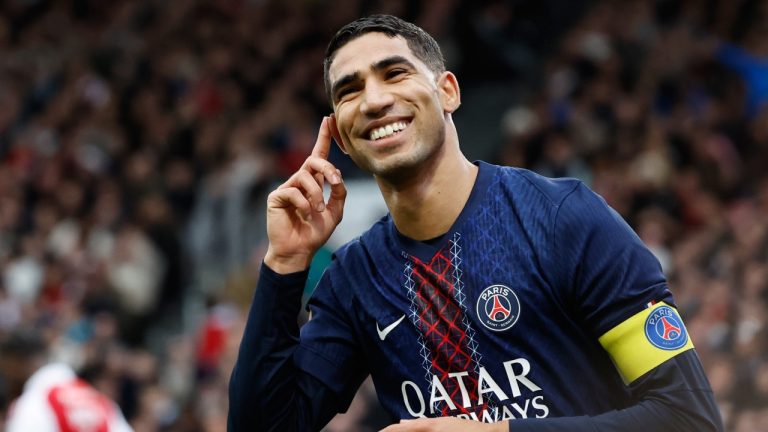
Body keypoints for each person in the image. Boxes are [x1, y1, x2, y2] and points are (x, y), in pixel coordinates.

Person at [228, 14, 724, 431]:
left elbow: (688, 417)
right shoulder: (354, 279)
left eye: (395, 73)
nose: (375, 100)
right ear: (340, 133)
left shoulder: (563, 219)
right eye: (350, 90)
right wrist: (284, 266)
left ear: (447, 91)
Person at [0, 330, 134, 432]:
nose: (5, 377)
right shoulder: (99, 400)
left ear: (15, 363)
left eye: (5, 368)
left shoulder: (33, 404)